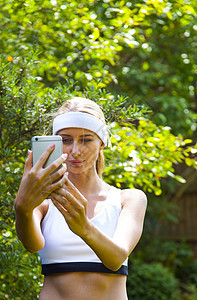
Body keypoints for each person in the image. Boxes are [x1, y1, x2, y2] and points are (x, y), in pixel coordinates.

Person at [14, 97, 147, 300]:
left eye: (85, 140)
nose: (75, 150)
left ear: (102, 143)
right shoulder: (43, 205)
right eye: (66, 140)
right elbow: (32, 245)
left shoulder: (128, 199)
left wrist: (84, 227)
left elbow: (116, 258)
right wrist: (21, 208)